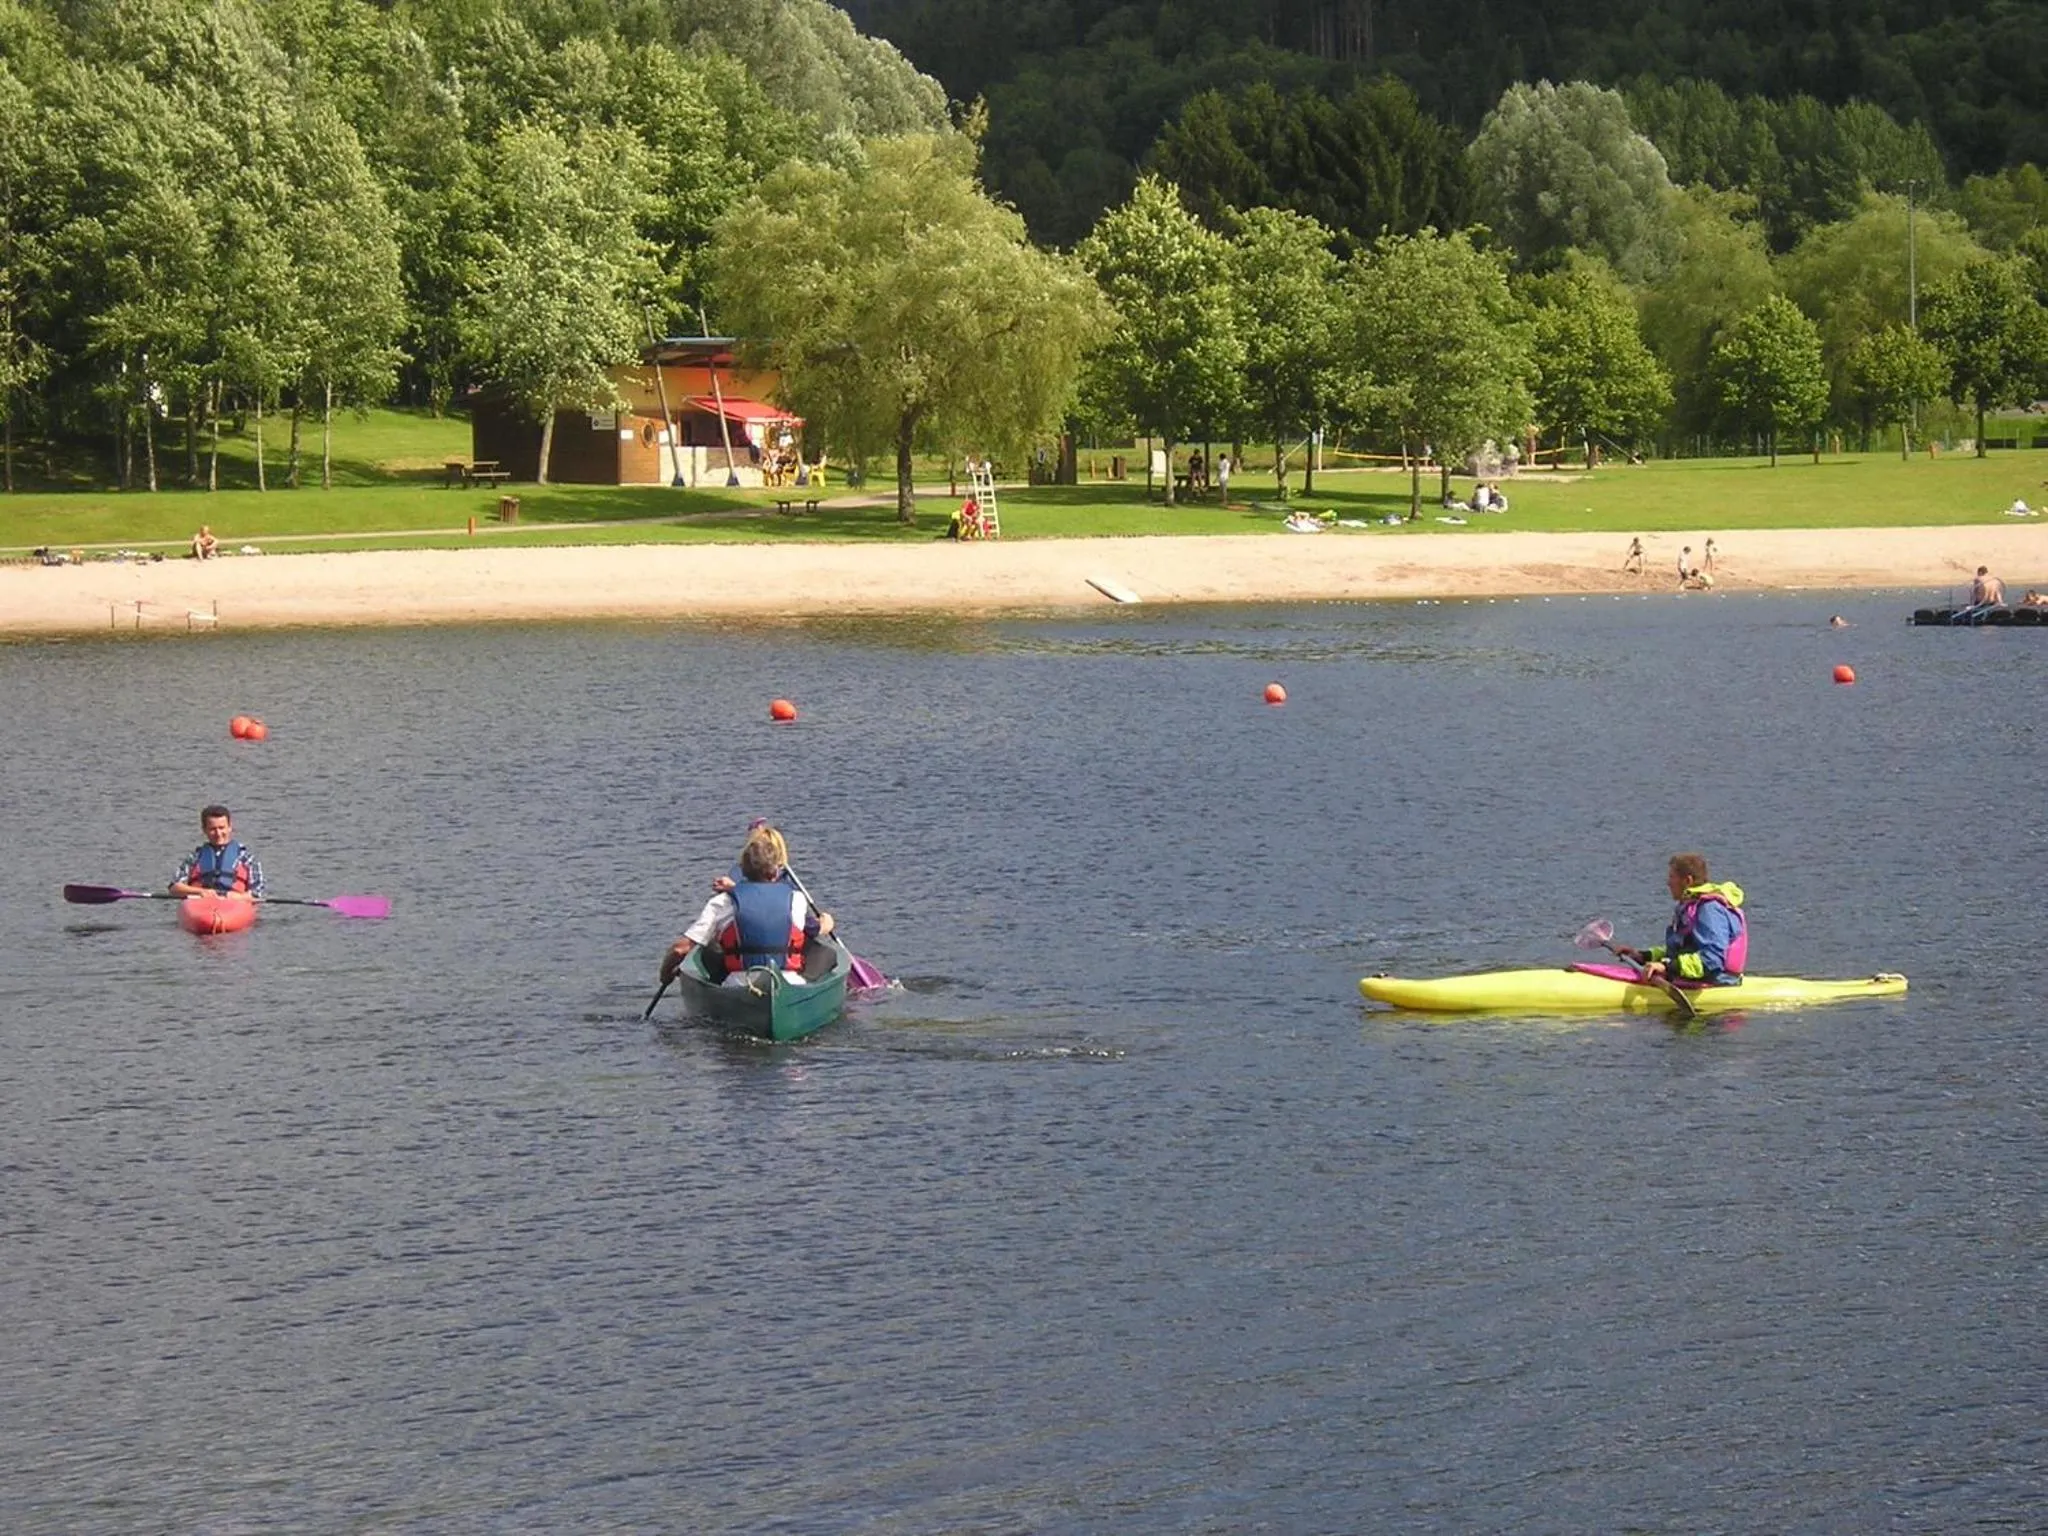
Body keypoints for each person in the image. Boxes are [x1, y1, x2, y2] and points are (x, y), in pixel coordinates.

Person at [660, 826, 833, 988]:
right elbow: (812, 929)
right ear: (776, 872)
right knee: (828, 954)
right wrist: (827, 923)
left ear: (742, 870)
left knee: (707, 950)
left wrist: (665, 974)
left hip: (738, 983)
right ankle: (807, 991)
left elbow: (679, 949)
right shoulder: (797, 899)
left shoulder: (723, 902)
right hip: (789, 981)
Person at [1613, 853, 1747, 989]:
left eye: (1672, 877)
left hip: (1717, 982)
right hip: (1692, 977)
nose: (1668, 883)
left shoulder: (1709, 910)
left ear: (1687, 881)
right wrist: (1643, 955)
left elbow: (1712, 959)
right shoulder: (1691, 905)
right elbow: (1680, 949)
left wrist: (1666, 966)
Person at [170, 804, 264, 899]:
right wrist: (201, 892)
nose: (218, 834)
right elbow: (174, 887)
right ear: (204, 829)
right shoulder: (195, 857)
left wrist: (239, 897)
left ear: (230, 827)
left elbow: (257, 892)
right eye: (212, 829)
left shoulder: (246, 858)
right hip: (200, 902)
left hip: (234, 903)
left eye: (221, 828)